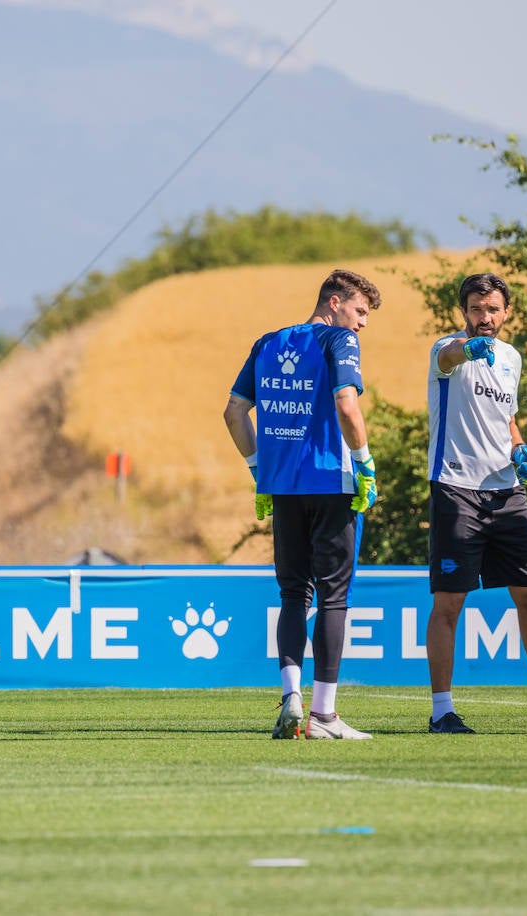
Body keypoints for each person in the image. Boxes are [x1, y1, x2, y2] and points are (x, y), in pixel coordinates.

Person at [223, 268, 382, 740]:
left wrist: (258, 470)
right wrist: (366, 465)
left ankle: (291, 696)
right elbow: (347, 406)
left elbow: (233, 412)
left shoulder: (268, 342)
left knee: (293, 595)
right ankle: (325, 717)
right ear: (334, 303)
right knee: (334, 597)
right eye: (360, 311)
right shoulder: (337, 342)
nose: (363, 324)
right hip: (333, 484)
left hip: (284, 489)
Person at [423, 272, 527, 734]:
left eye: (493, 309)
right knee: (449, 603)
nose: (485, 317)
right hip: (456, 489)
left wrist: (521, 449)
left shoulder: (512, 357)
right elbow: (450, 358)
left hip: (508, 491)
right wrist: (465, 349)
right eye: (476, 308)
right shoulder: (444, 349)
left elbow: (506, 417)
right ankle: (441, 711)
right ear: (464, 312)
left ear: (506, 312)